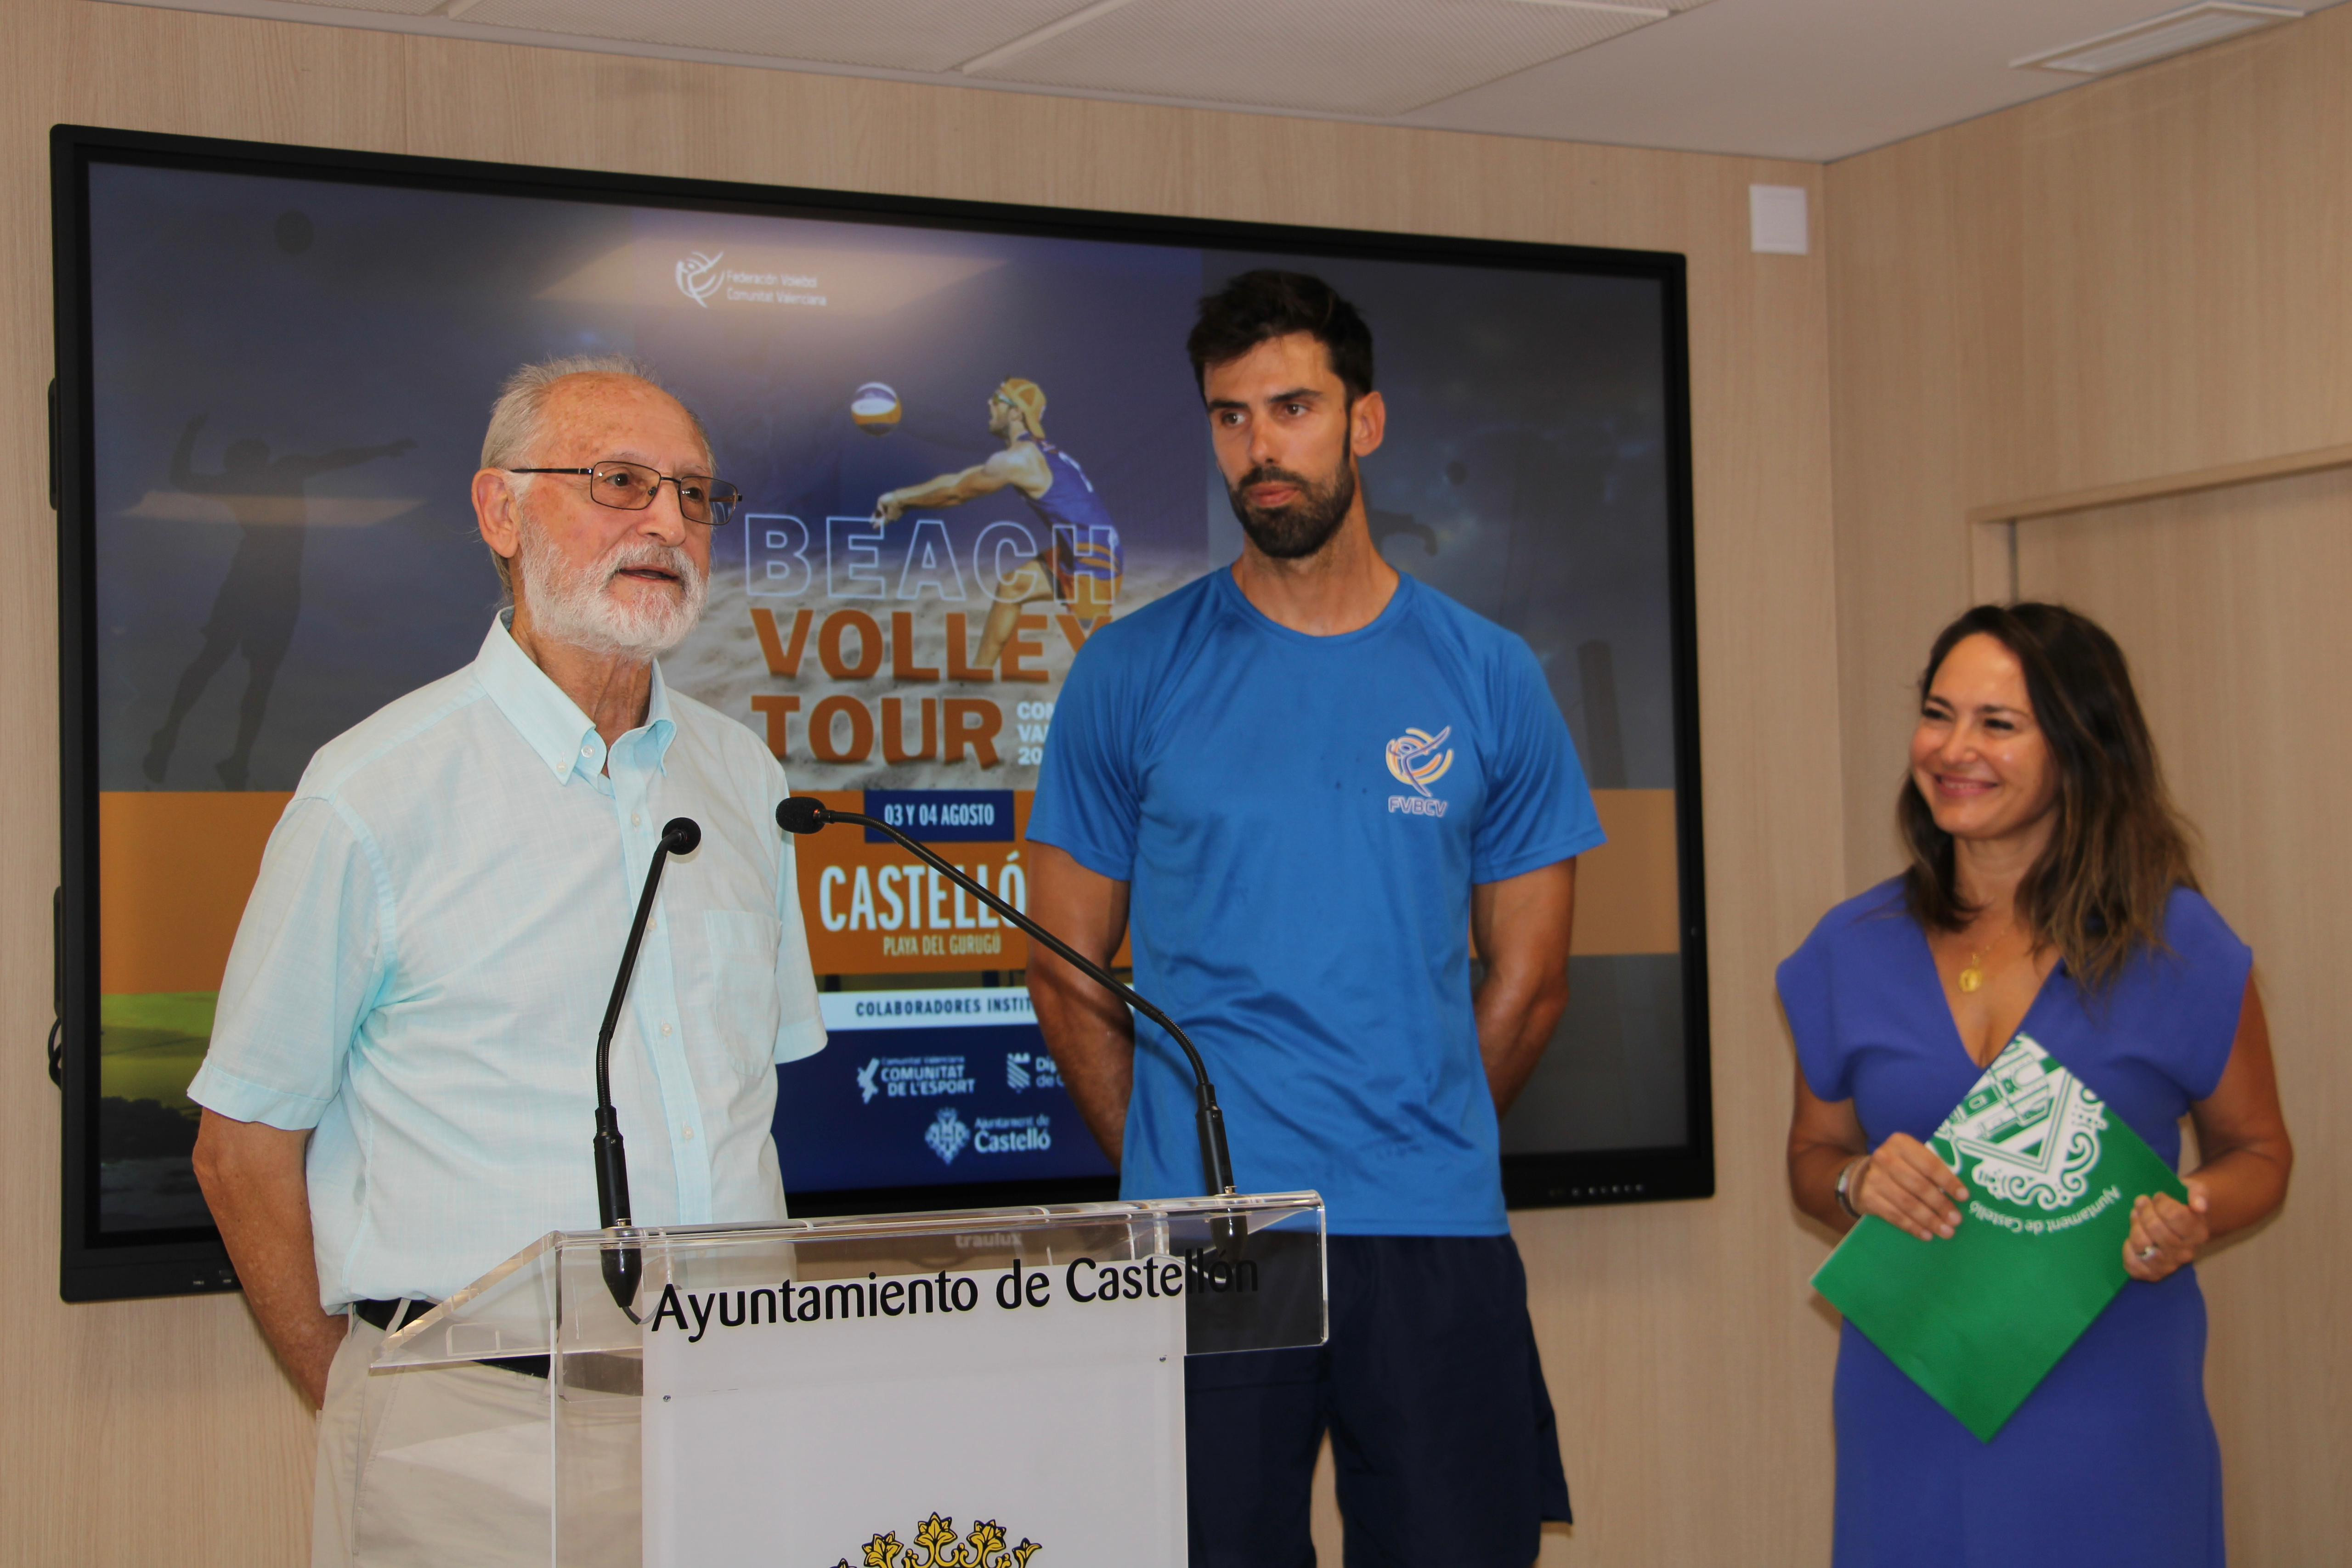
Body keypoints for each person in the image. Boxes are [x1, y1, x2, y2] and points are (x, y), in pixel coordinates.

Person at [187, 355, 826, 1567]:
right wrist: (379, 1395)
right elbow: (239, 1146)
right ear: (500, 511)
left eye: (695, 495)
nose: (667, 524)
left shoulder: (746, 780)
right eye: (621, 483)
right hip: (474, 1435)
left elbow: (755, 1099)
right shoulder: (374, 793)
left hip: (740, 1412)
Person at [1024, 271, 1601, 1566]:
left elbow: (1533, 977)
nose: (1260, 447)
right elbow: (1065, 968)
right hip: (1214, 1240)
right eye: (1232, 416)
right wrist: (1175, 1164)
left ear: (1366, 420)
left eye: (1292, 407)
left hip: (1430, 1235)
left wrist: (1418, 1134)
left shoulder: (1490, 675)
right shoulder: (1130, 670)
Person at [1781, 603, 2293, 1568]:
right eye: (1938, 714)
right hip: (1908, 1404)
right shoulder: (1846, 949)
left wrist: (2194, 1208)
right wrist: (1856, 1185)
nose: (1952, 748)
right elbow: (1811, 1160)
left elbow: (2261, 1154)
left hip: (2112, 1411)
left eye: (1997, 724)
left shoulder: (2177, 946)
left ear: (2080, 749)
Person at [143, 415, 415, 789]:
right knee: (233, 667)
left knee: (243, 671)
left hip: (268, 587)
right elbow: (336, 458)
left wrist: (381, 451)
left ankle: (225, 754)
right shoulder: (263, 477)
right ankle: (203, 746)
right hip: (257, 585)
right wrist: (381, 451)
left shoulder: (256, 478)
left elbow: (336, 459)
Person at [872, 377, 1121, 667]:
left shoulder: (1021, 460)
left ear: (1016, 413)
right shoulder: (1032, 453)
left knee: (1100, 667)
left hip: (1095, 567)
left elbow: (956, 494)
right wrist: (901, 498)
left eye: (997, 399)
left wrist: (900, 500)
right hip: (1082, 552)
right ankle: (980, 674)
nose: (988, 403)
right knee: (1012, 587)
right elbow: (958, 480)